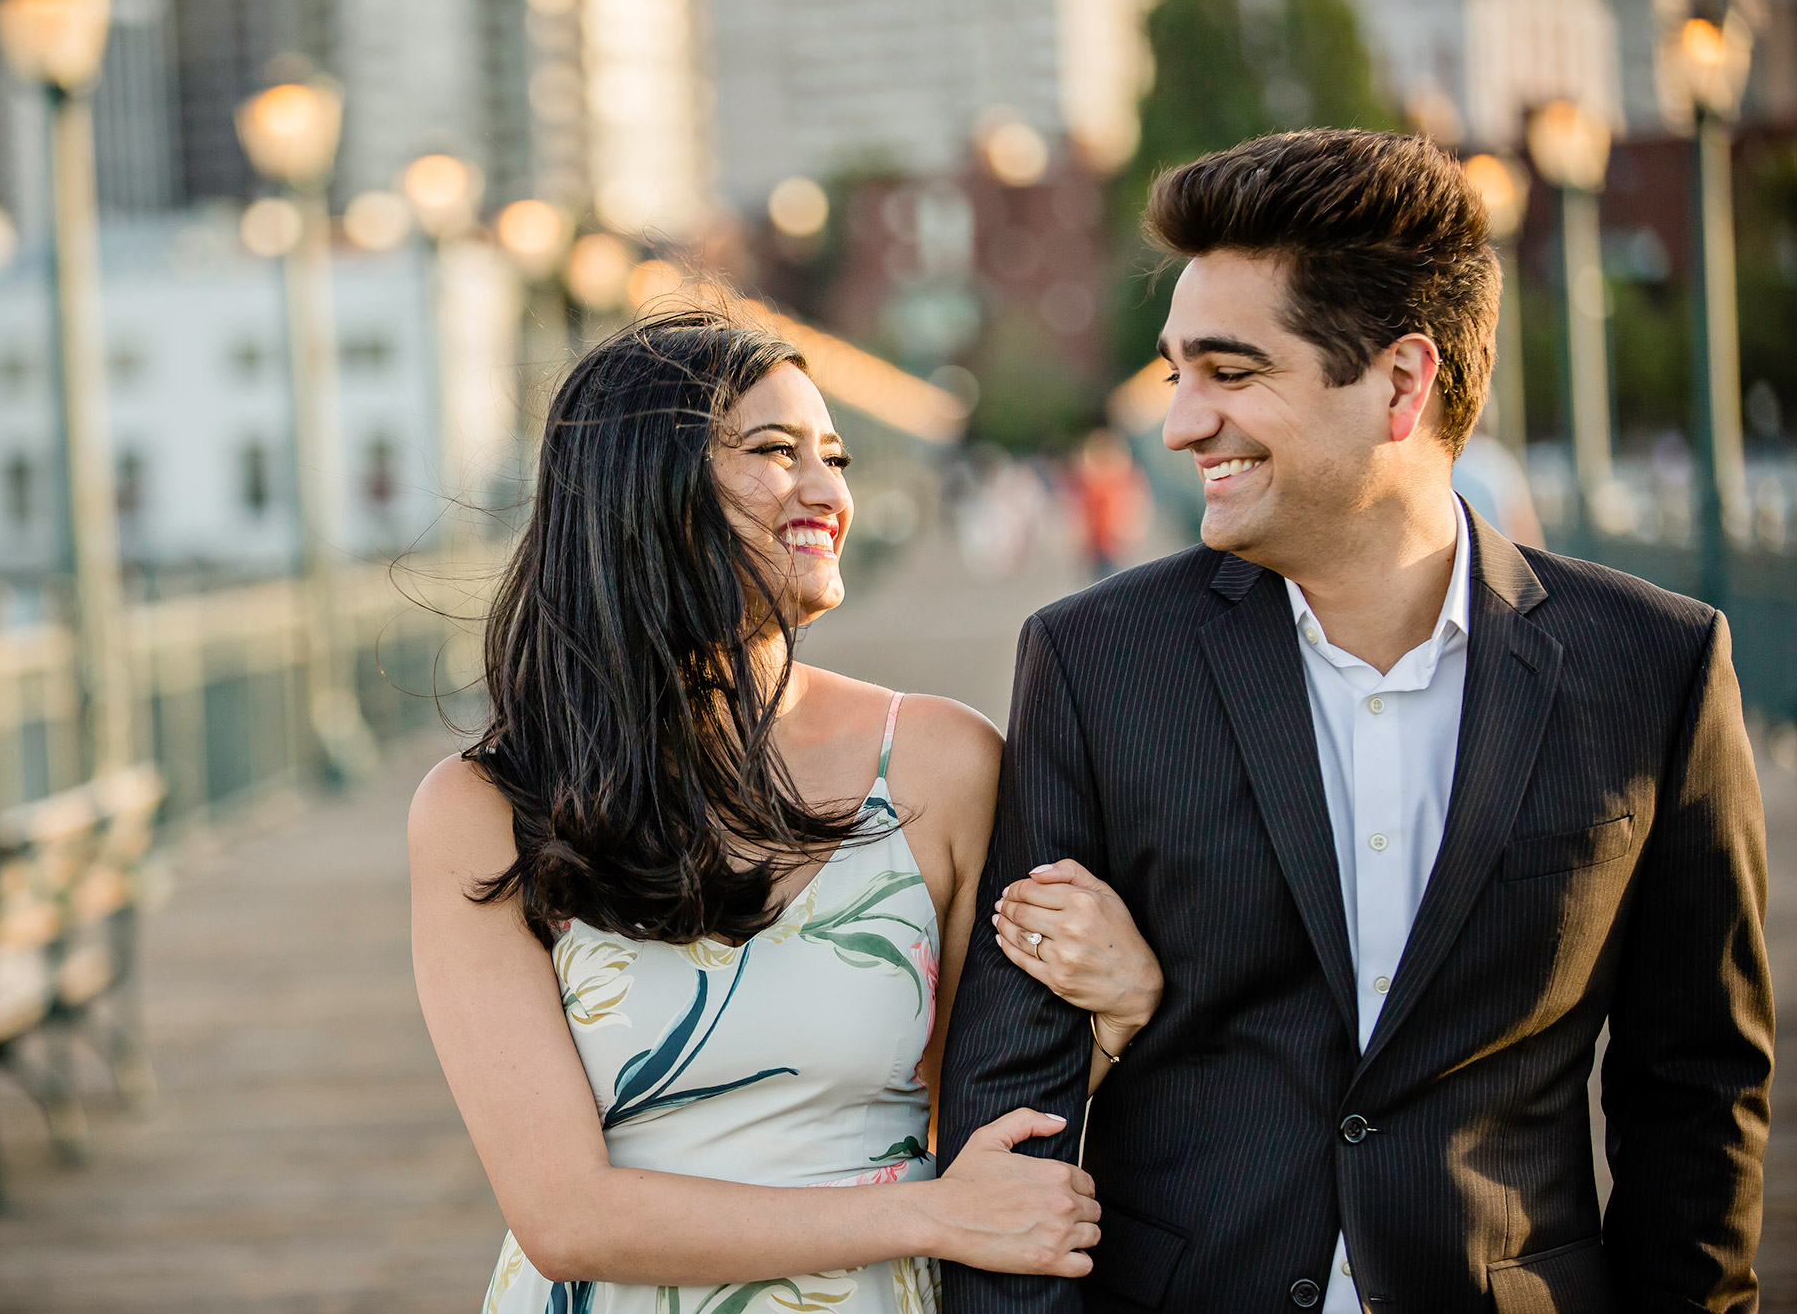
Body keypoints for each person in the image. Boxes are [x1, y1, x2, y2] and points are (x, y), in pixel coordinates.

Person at [938, 130, 1773, 1312]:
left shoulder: (1654, 662)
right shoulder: (1092, 660)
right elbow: (1007, 1105)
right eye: (1175, 375)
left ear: (1400, 382)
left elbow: (1694, 1086)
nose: (1180, 424)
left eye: (1228, 373)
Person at [407, 308, 1166, 1314]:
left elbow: (982, 1117)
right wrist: (925, 1214)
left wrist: (1118, 1012)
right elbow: (563, 1216)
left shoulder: (939, 763)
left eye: (835, 456)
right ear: (643, 488)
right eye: (774, 452)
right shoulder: (482, 805)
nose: (828, 492)